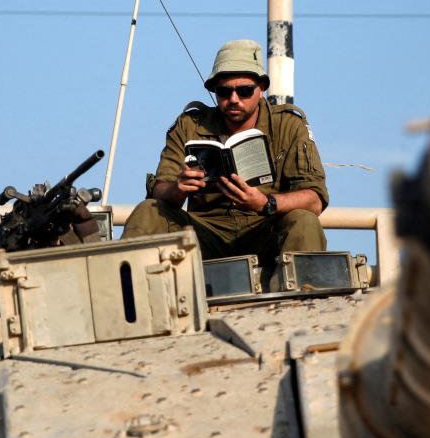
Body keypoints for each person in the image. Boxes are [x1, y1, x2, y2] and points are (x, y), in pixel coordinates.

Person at [121, 39, 328, 271]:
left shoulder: (289, 126)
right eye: (224, 91)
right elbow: (160, 189)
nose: (234, 99)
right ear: (215, 91)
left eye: (244, 90)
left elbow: (314, 199)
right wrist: (177, 189)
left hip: (266, 231)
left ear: (261, 89)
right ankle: (124, 296)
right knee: (148, 211)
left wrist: (265, 203)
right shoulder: (189, 125)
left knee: (304, 221)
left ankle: (301, 299)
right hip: (203, 236)